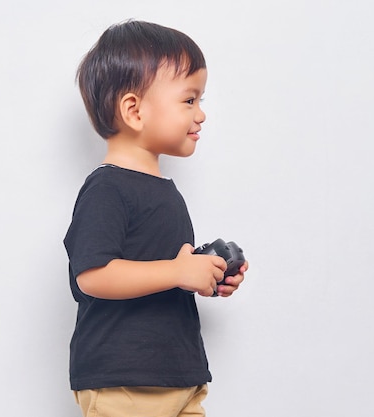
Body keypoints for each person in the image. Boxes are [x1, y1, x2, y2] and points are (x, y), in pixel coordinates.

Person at [63, 20, 248, 417]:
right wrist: (179, 272)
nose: (201, 115)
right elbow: (92, 276)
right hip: (126, 381)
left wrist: (206, 274)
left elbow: (160, 273)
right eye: (189, 100)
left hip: (179, 376)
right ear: (133, 110)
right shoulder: (106, 190)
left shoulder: (166, 191)